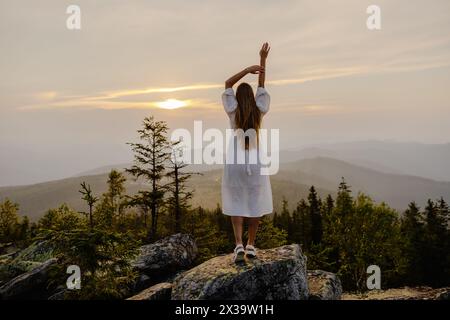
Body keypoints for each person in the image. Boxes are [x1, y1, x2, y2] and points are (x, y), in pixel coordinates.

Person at [221, 42, 273, 262]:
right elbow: (262, 86)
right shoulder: (258, 111)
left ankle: (238, 244)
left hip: (235, 160)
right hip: (255, 160)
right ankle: (251, 244)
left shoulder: (233, 111)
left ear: (237, 98)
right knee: (255, 200)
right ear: (251, 97)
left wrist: (246, 70)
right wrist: (262, 61)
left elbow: (227, 83)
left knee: (236, 200)